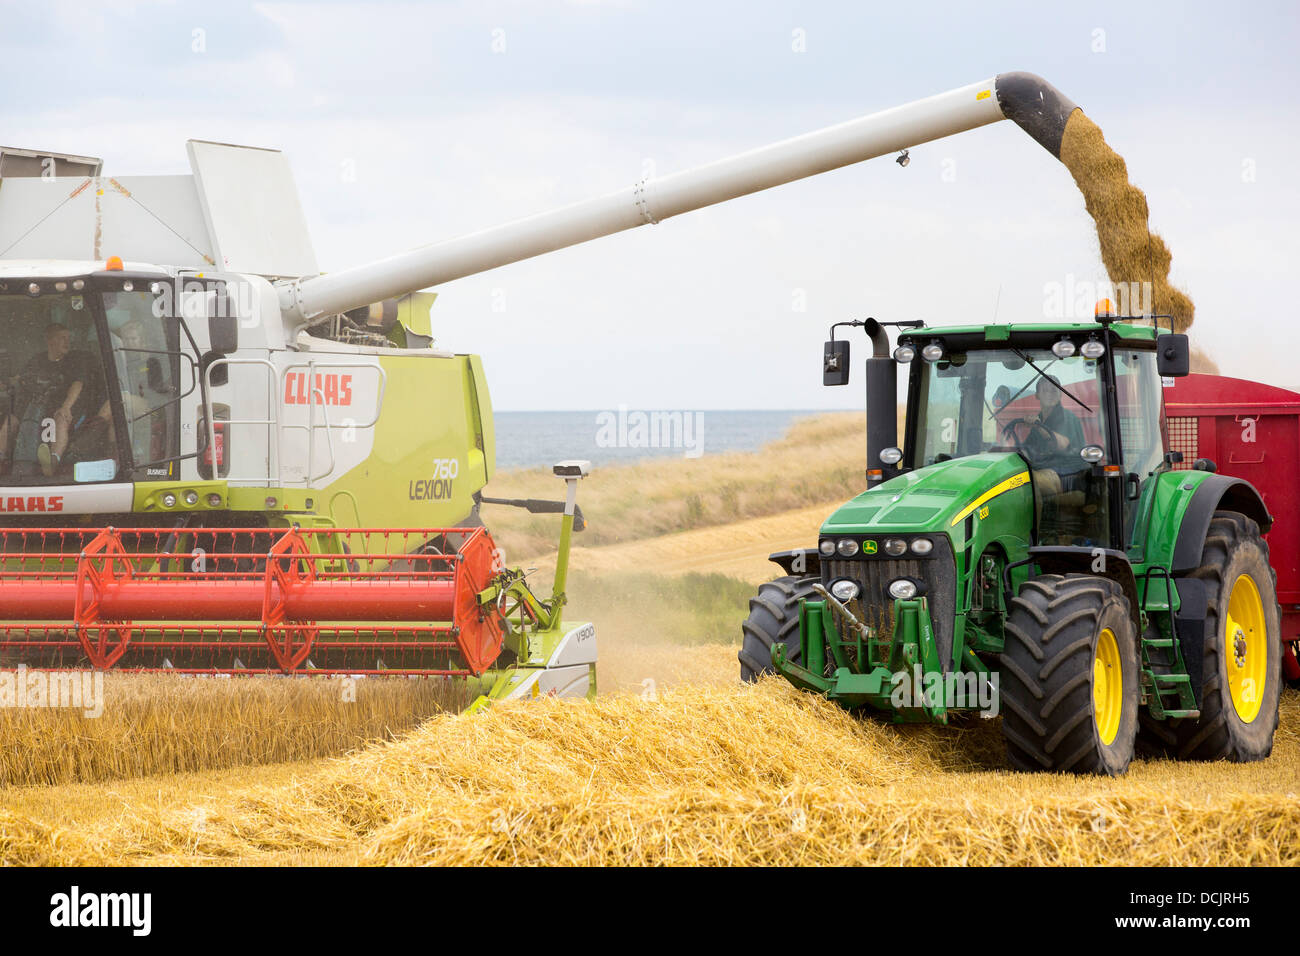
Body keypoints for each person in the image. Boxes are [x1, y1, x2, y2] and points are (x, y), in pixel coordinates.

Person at [0, 324, 90, 477]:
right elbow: (20, 379)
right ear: (50, 341)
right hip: (34, 406)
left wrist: (66, 407)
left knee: (60, 421)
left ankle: (51, 465)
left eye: (68, 338)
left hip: (58, 407)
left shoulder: (72, 361)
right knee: (11, 421)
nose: (67, 342)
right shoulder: (36, 360)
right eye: (62, 338)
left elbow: (77, 384)